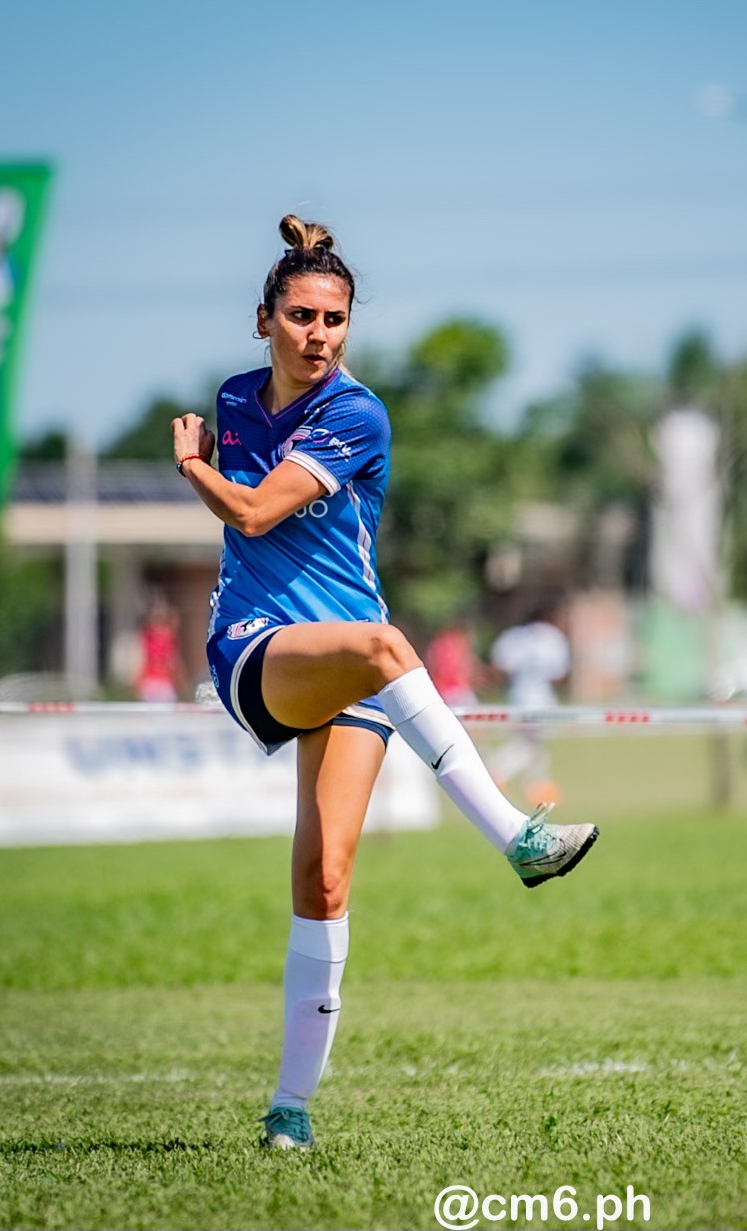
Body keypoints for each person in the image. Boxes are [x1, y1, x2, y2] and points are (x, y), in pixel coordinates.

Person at [171, 215, 598, 1151]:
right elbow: (247, 527)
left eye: (334, 318)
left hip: (356, 655)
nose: (317, 333)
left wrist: (193, 464)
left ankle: (289, 1113)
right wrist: (207, 460)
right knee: (379, 645)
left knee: (325, 879)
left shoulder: (355, 412)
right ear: (263, 319)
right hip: (257, 645)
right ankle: (517, 838)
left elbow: (249, 505)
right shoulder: (236, 399)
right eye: (300, 314)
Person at [487, 603, 571, 807]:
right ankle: (497, 771)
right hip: (541, 701)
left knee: (535, 748)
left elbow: (499, 668)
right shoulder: (553, 637)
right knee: (528, 747)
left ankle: (537, 791)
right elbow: (558, 673)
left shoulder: (514, 636)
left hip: (518, 698)